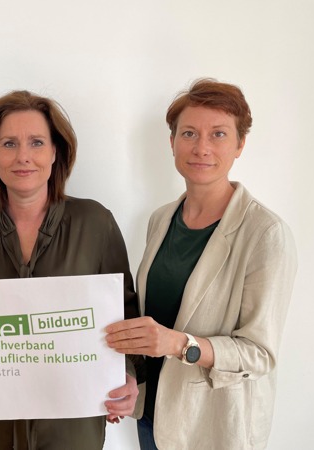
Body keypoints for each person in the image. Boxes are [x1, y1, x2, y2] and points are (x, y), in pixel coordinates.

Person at [0, 90, 143, 449]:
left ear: (55, 152)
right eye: (9, 144)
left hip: (70, 434)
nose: (23, 156)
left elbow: (125, 317)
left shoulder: (95, 223)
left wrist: (126, 375)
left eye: (36, 142)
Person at [105, 78, 297, 450]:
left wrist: (180, 344)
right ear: (172, 141)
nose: (201, 148)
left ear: (240, 144)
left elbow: (259, 354)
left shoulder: (266, 233)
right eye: (189, 133)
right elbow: (149, 322)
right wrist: (129, 378)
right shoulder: (161, 219)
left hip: (212, 427)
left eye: (219, 134)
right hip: (153, 416)